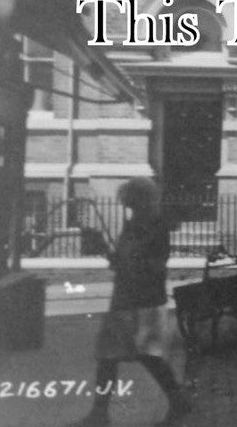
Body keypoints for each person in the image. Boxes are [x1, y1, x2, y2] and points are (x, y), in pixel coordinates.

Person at [75, 178, 191, 427]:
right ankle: (100, 413)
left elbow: (149, 266)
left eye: (131, 202)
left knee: (138, 357)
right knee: (112, 357)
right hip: (127, 299)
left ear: (140, 201)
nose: (129, 207)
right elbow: (121, 264)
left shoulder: (155, 228)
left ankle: (101, 414)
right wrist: (104, 248)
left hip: (142, 300)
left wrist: (121, 258)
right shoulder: (134, 225)